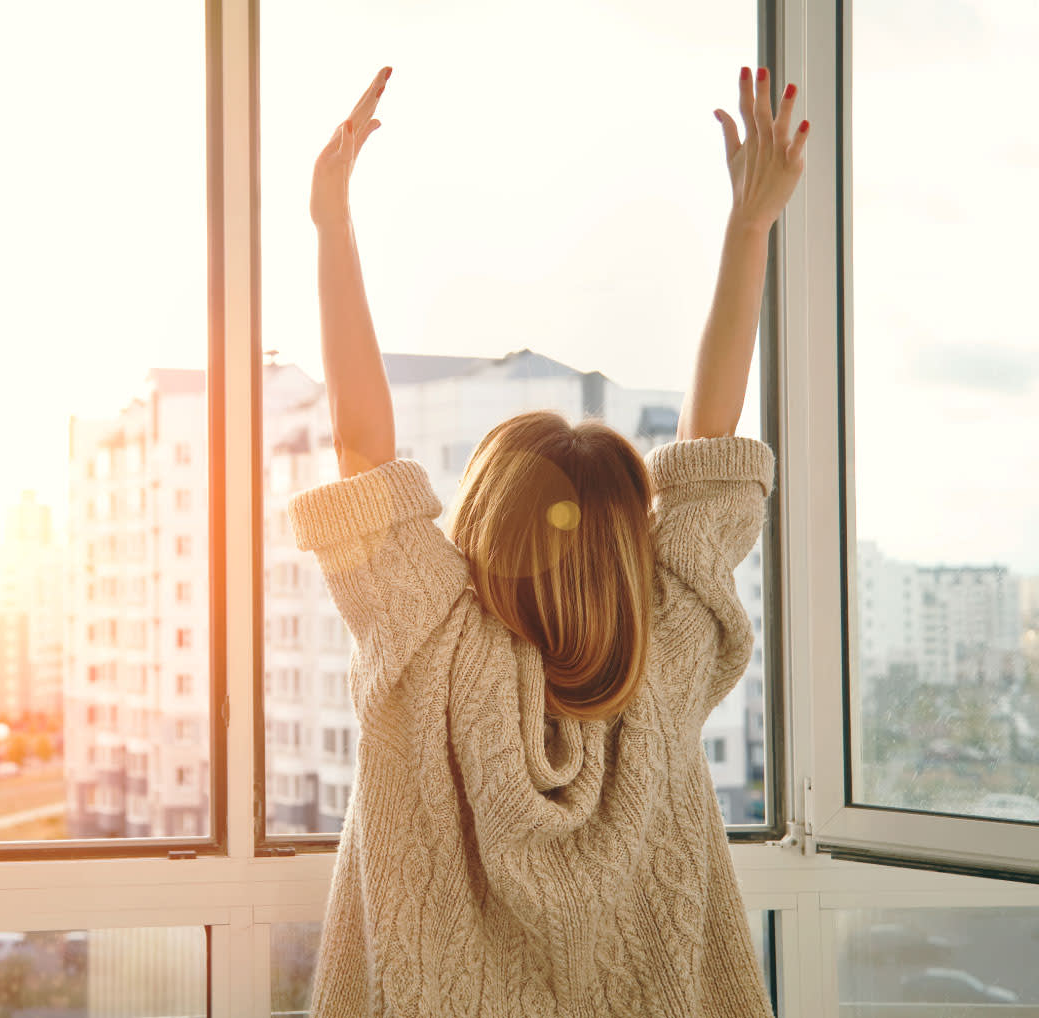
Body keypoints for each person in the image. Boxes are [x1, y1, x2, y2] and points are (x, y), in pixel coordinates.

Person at [290, 65, 807, 1016]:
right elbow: (711, 449)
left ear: (483, 518)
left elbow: (361, 446)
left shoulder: (431, 641)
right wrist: (750, 227)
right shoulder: (666, 655)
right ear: (629, 543)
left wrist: (332, 223)